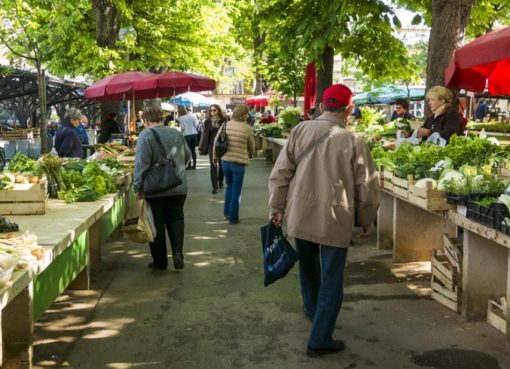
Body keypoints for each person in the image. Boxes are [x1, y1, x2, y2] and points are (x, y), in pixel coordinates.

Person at [268, 84, 380, 357]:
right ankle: (320, 338)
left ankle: (312, 309)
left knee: (308, 268)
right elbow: (367, 186)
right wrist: (366, 219)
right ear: (349, 109)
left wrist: (276, 207)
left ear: (321, 106)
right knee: (332, 278)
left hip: (301, 214)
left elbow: (281, 172)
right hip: (334, 218)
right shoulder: (353, 140)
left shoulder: (299, 131)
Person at [133, 103, 191, 271]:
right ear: (162, 118)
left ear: (145, 120)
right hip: (178, 185)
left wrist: (137, 187)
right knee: (176, 219)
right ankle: (178, 253)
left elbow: (141, 165)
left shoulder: (146, 135)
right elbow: (187, 156)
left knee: (155, 224)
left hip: (155, 189)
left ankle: (160, 261)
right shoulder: (176, 133)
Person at [213, 104, 254, 224]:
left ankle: (227, 213)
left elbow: (216, 141)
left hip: (225, 161)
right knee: (236, 190)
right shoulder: (247, 128)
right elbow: (251, 146)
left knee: (229, 187)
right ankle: (234, 217)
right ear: (244, 114)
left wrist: (215, 157)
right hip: (239, 163)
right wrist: (250, 155)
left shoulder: (226, 124)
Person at [198, 104, 227, 194]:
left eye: (214, 110)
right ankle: (215, 187)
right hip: (211, 146)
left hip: (222, 146)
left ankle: (220, 181)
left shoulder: (224, 120)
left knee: (222, 166)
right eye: (211, 110)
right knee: (213, 166)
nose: (212, 112)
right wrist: (202, 147)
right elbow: (205, 135)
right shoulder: (207, 122)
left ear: (219, 111)